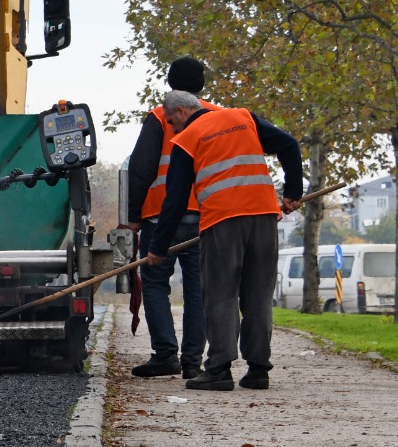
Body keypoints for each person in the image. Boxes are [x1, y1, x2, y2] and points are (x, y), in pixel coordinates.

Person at [145, 91, 304, 392]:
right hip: (264, 217)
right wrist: (293, 192)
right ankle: (258, 370)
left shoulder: (186, 138)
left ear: (180, 112)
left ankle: (218, 369)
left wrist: (157, 247)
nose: (172, 129)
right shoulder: (242, 117)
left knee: (221, 294)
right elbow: (289, 144)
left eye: (171, 122)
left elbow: (176, 199)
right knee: (258, 295)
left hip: (223, 221)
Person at [125, 56, 213, 379]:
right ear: (202, 85)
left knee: (155, 283)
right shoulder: (216, 115)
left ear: (171, 83)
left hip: (159, 218)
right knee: (197, 289)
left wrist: (132, 216)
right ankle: (193, 361)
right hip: (205, 217)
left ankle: (165, 354)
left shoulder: (162, 115)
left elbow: (141, 168)